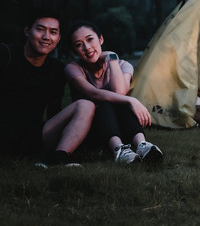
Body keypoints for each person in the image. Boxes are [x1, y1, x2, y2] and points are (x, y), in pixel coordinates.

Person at [0, 9, 95, 177]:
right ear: (27, 31)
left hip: (33, 138)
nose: (46, 36)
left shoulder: (57, 70)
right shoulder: (5, 53)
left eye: (53, 32)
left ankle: (58, 157)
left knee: (86, 105)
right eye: (40, 29)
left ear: (58, 39)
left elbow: (54, 112)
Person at [65, 20, 163, 164]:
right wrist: (132, 100)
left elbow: (119, 91)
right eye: (79, 45)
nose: (86, 47)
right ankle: (119, 150)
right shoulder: (73, 69)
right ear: (75, 51)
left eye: (90, 39)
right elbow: (94, 94)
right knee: (105, 103)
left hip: (120, 127)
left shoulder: (123, 65)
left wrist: (112, 59)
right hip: (91, 131)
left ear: (101, 39)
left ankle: (142, 145)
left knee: (118, 101)